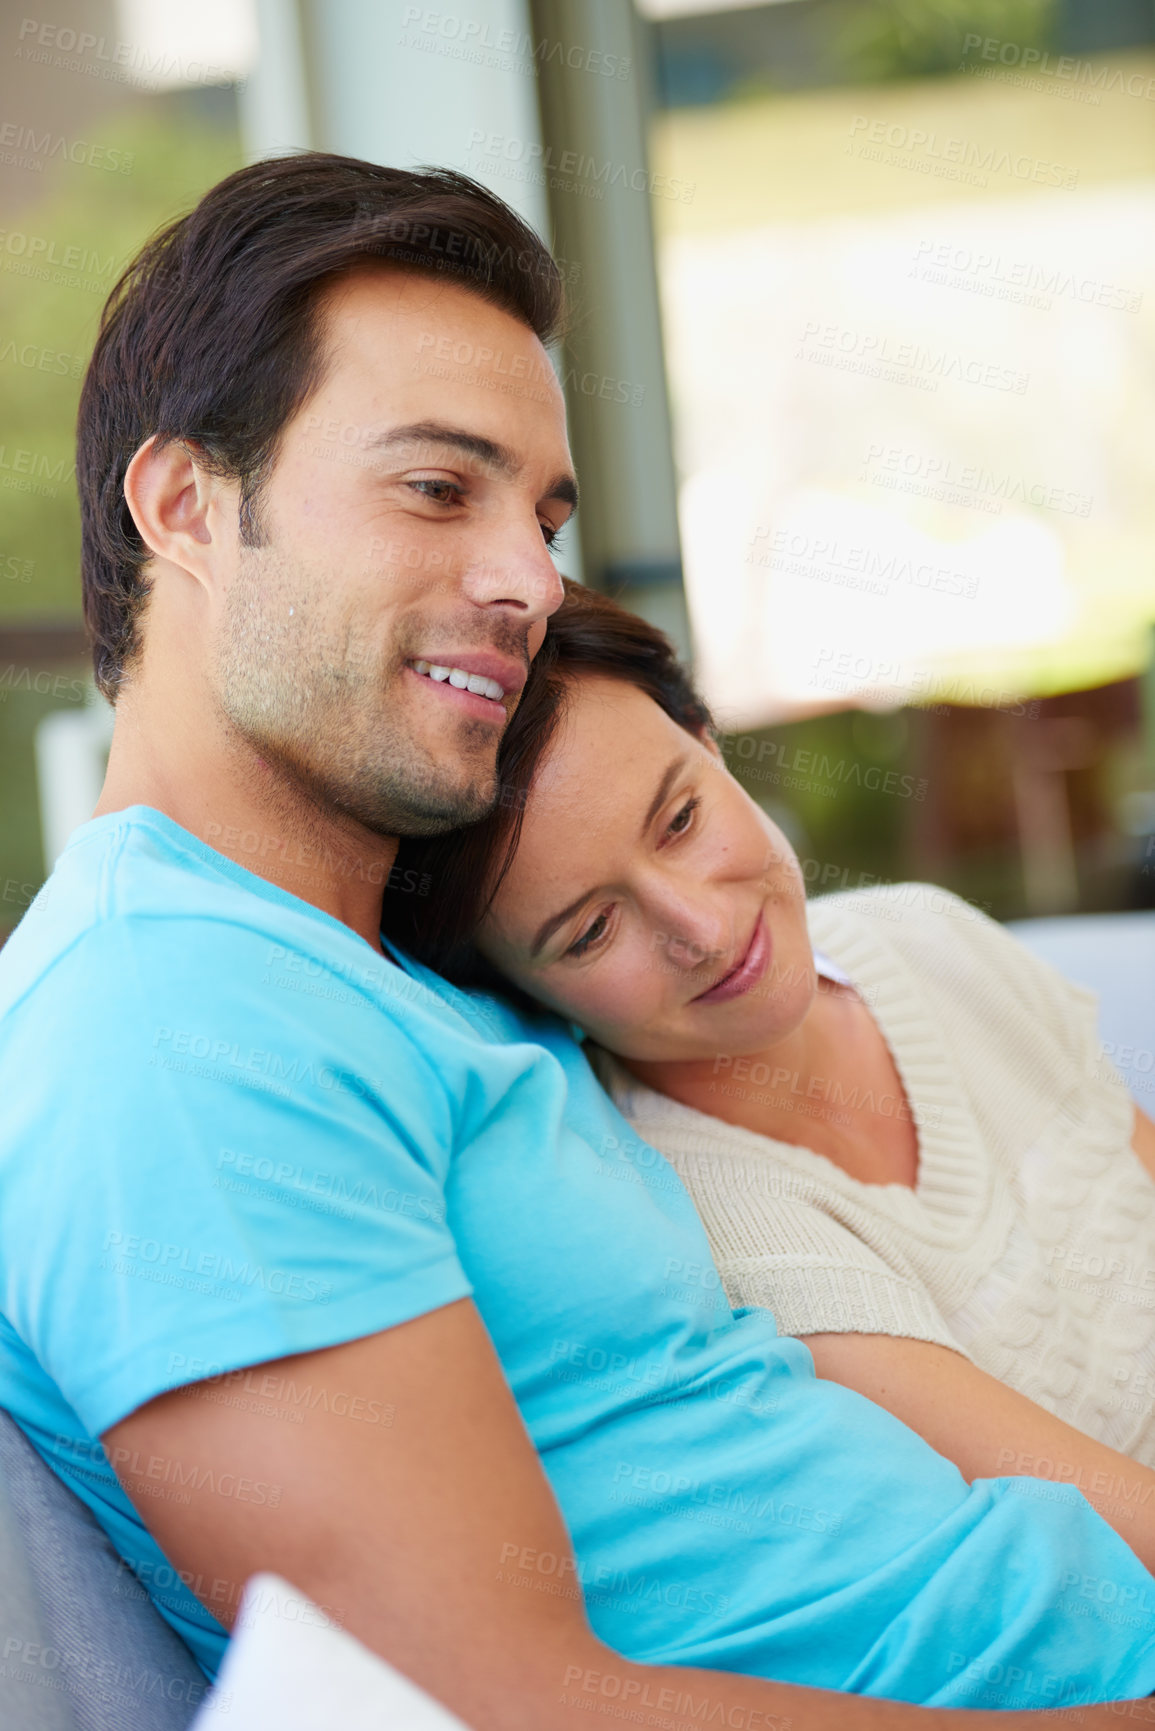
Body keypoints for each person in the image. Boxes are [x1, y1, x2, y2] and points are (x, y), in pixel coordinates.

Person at [1, 152, 1155, 1730]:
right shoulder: (165, 1021)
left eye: (541, 513)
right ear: (185, 505)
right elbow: (497, 1704)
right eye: (433, 487)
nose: (527, 581)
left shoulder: (406, 974)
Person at [386, 577, 1155, 1564]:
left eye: (678, 820)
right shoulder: (719, 1232)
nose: (703, 931)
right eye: (591, 931)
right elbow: (1107, 1531)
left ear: (707, 741)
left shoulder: (923, 934)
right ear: (528, 997)